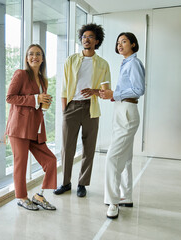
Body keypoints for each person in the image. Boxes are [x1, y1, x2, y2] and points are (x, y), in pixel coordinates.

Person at [54, 23, 111, 198]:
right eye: (84, 37)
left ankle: (82, 184)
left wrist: (94, 91)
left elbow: (107, 92)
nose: (86, 39)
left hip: (91, 109)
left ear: (97, 41)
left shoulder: (103, 64)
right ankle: (65, 183)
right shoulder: (71, 60)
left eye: (90, 37)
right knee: (67, 148)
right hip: (71, 107)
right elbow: (63, 87)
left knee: (89, 147)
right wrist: (64, 110)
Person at [6, 44, 57, 211]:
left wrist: (43, 103)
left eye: (38, 54)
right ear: (27, 58)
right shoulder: (21, 74)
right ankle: (21, 197)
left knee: (50, 160)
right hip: (19, 127)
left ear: (42, 59)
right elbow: (10, 97)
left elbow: (39, 104)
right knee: (20, 163)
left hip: (35, 128)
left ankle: (39, 196)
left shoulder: (43, 80)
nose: (34, 56)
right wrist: (35, 98)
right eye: (31, 54)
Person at [99, 32, 145, 219]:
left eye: (124, 41)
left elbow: (139, 89)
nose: (120, 45)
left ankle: (113, 202)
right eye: (118, 42)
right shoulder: (126, 62)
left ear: (133, 44)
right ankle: (127, 196)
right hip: (122, 109)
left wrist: (115, 93)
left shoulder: (133, 63)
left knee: (112, 157)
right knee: (125, 158)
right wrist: (112, 94)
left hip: (127, 111)